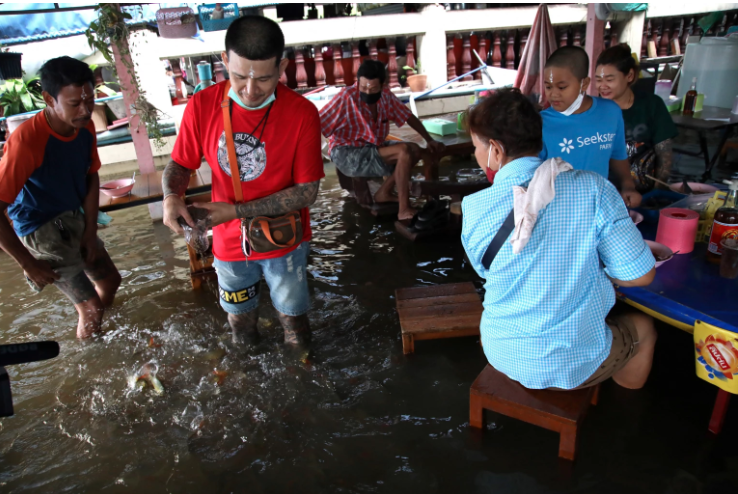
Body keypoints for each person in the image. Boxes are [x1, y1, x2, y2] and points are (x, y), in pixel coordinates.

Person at [461, 88, 657, 390]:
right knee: (644, 327)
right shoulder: (594, 188)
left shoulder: (473, 208)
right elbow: (641, 276)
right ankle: (623, 410)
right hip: (572, 363)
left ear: (496, 151)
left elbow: (488, 271)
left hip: (501, 351)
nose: (475, 155)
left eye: (476, 147)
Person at [162, 16, 323, 347]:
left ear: (282, 66)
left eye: (264, 79)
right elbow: (179, 163)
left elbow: (307, 193)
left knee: (294, 323)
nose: (251, 91)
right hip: (228, 244)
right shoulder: (202, 106)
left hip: (284, 240)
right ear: (224, 61)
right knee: (240, 325)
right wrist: (171, 195)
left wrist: (234, 212)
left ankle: (304, 380)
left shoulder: (302, 113)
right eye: (238, 77)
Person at [0, 56, 121, 339]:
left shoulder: (85, 127)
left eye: (89, 100)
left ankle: (100, 332)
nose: (85, 110)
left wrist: (90, 232)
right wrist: (28, 263)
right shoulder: (27, 141)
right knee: (90, 307)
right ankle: (92, 361)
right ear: (48, 99)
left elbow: (91, 176)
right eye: (74, 104)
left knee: (111, 280)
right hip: (40, 228)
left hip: (73, 216)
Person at [320, 60, 446, 220]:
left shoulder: (386, 96)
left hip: (373, 148)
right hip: (346, 153)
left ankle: (384, 192)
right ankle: (403, 209)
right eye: (363, 87)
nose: (367, 91)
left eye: (373, 88)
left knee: (415, 149)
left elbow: (408, 116)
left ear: (382, 85)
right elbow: (317, 124)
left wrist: (429, 140)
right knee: (403, 151)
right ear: (358, 82)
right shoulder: (346, 97)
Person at [540, 46, 642, 208]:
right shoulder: (541, 123)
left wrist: (628, 186)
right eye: (548, 86)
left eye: (561, 87)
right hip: (558, 209)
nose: (553, 94)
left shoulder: (610, 112)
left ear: (584, 84)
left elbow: (617, 155)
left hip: (598, 205)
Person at [595, 44, 678, 193]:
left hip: (643, 190)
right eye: (598, 80)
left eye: (609, 79)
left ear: (630, 76)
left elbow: (664, 155)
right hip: (604, 191)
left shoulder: (652, 105)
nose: (602, 86)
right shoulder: (592, 110)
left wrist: (656, 193)